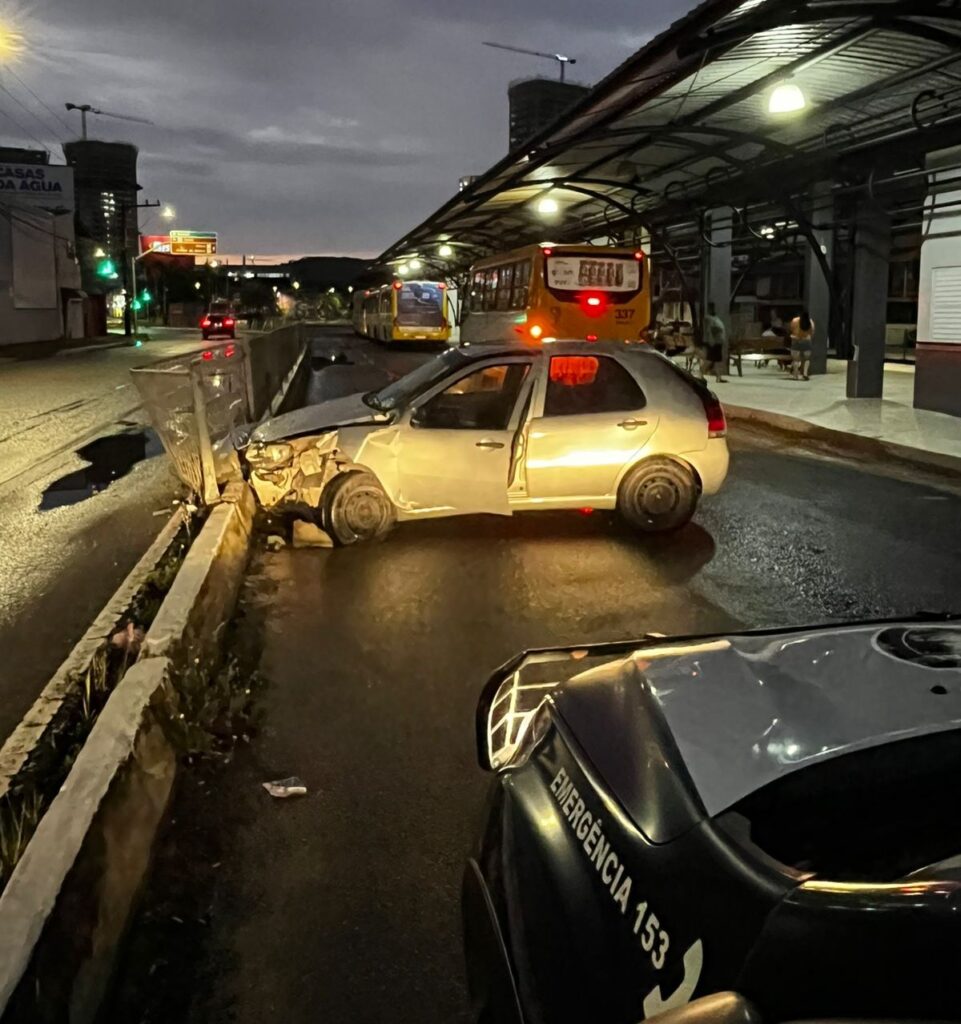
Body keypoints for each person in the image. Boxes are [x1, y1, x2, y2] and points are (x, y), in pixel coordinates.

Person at [703, 302, 727, 383]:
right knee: (710, 360)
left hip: (718, 342)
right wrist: (711, 341)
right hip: (714, 343)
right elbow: (709, 331)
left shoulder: (715, 318)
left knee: (716, 361)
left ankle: (718, 377)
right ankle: (700, 375)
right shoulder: (709, 319)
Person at [790, 310, 815, 380]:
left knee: (796, 359)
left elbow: (791, 329)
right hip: (806, 341)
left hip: (796, 340)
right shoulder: (811, 322)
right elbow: (812, 333)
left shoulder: (794, 320)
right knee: (807, 359)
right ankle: (805, 373)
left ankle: (795, 375)